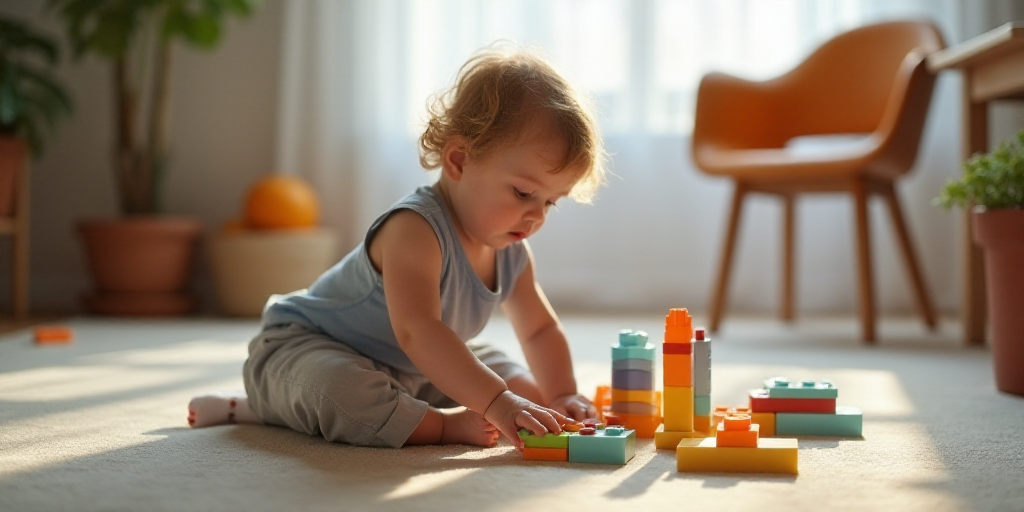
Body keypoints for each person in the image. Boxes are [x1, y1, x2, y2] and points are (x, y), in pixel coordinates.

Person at [189, 43, 607, 449]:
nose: (537, 216)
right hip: (306, 348)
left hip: (406, 367)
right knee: (347, 391)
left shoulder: (512, 251)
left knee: (514, 380)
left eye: (551, 202)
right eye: (522, 193)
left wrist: (559, 395)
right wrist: (494, 404)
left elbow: (539, 329)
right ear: (459, 160)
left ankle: (432, 404)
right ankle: (263, 407)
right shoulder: (415, 228)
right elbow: (418, 332)